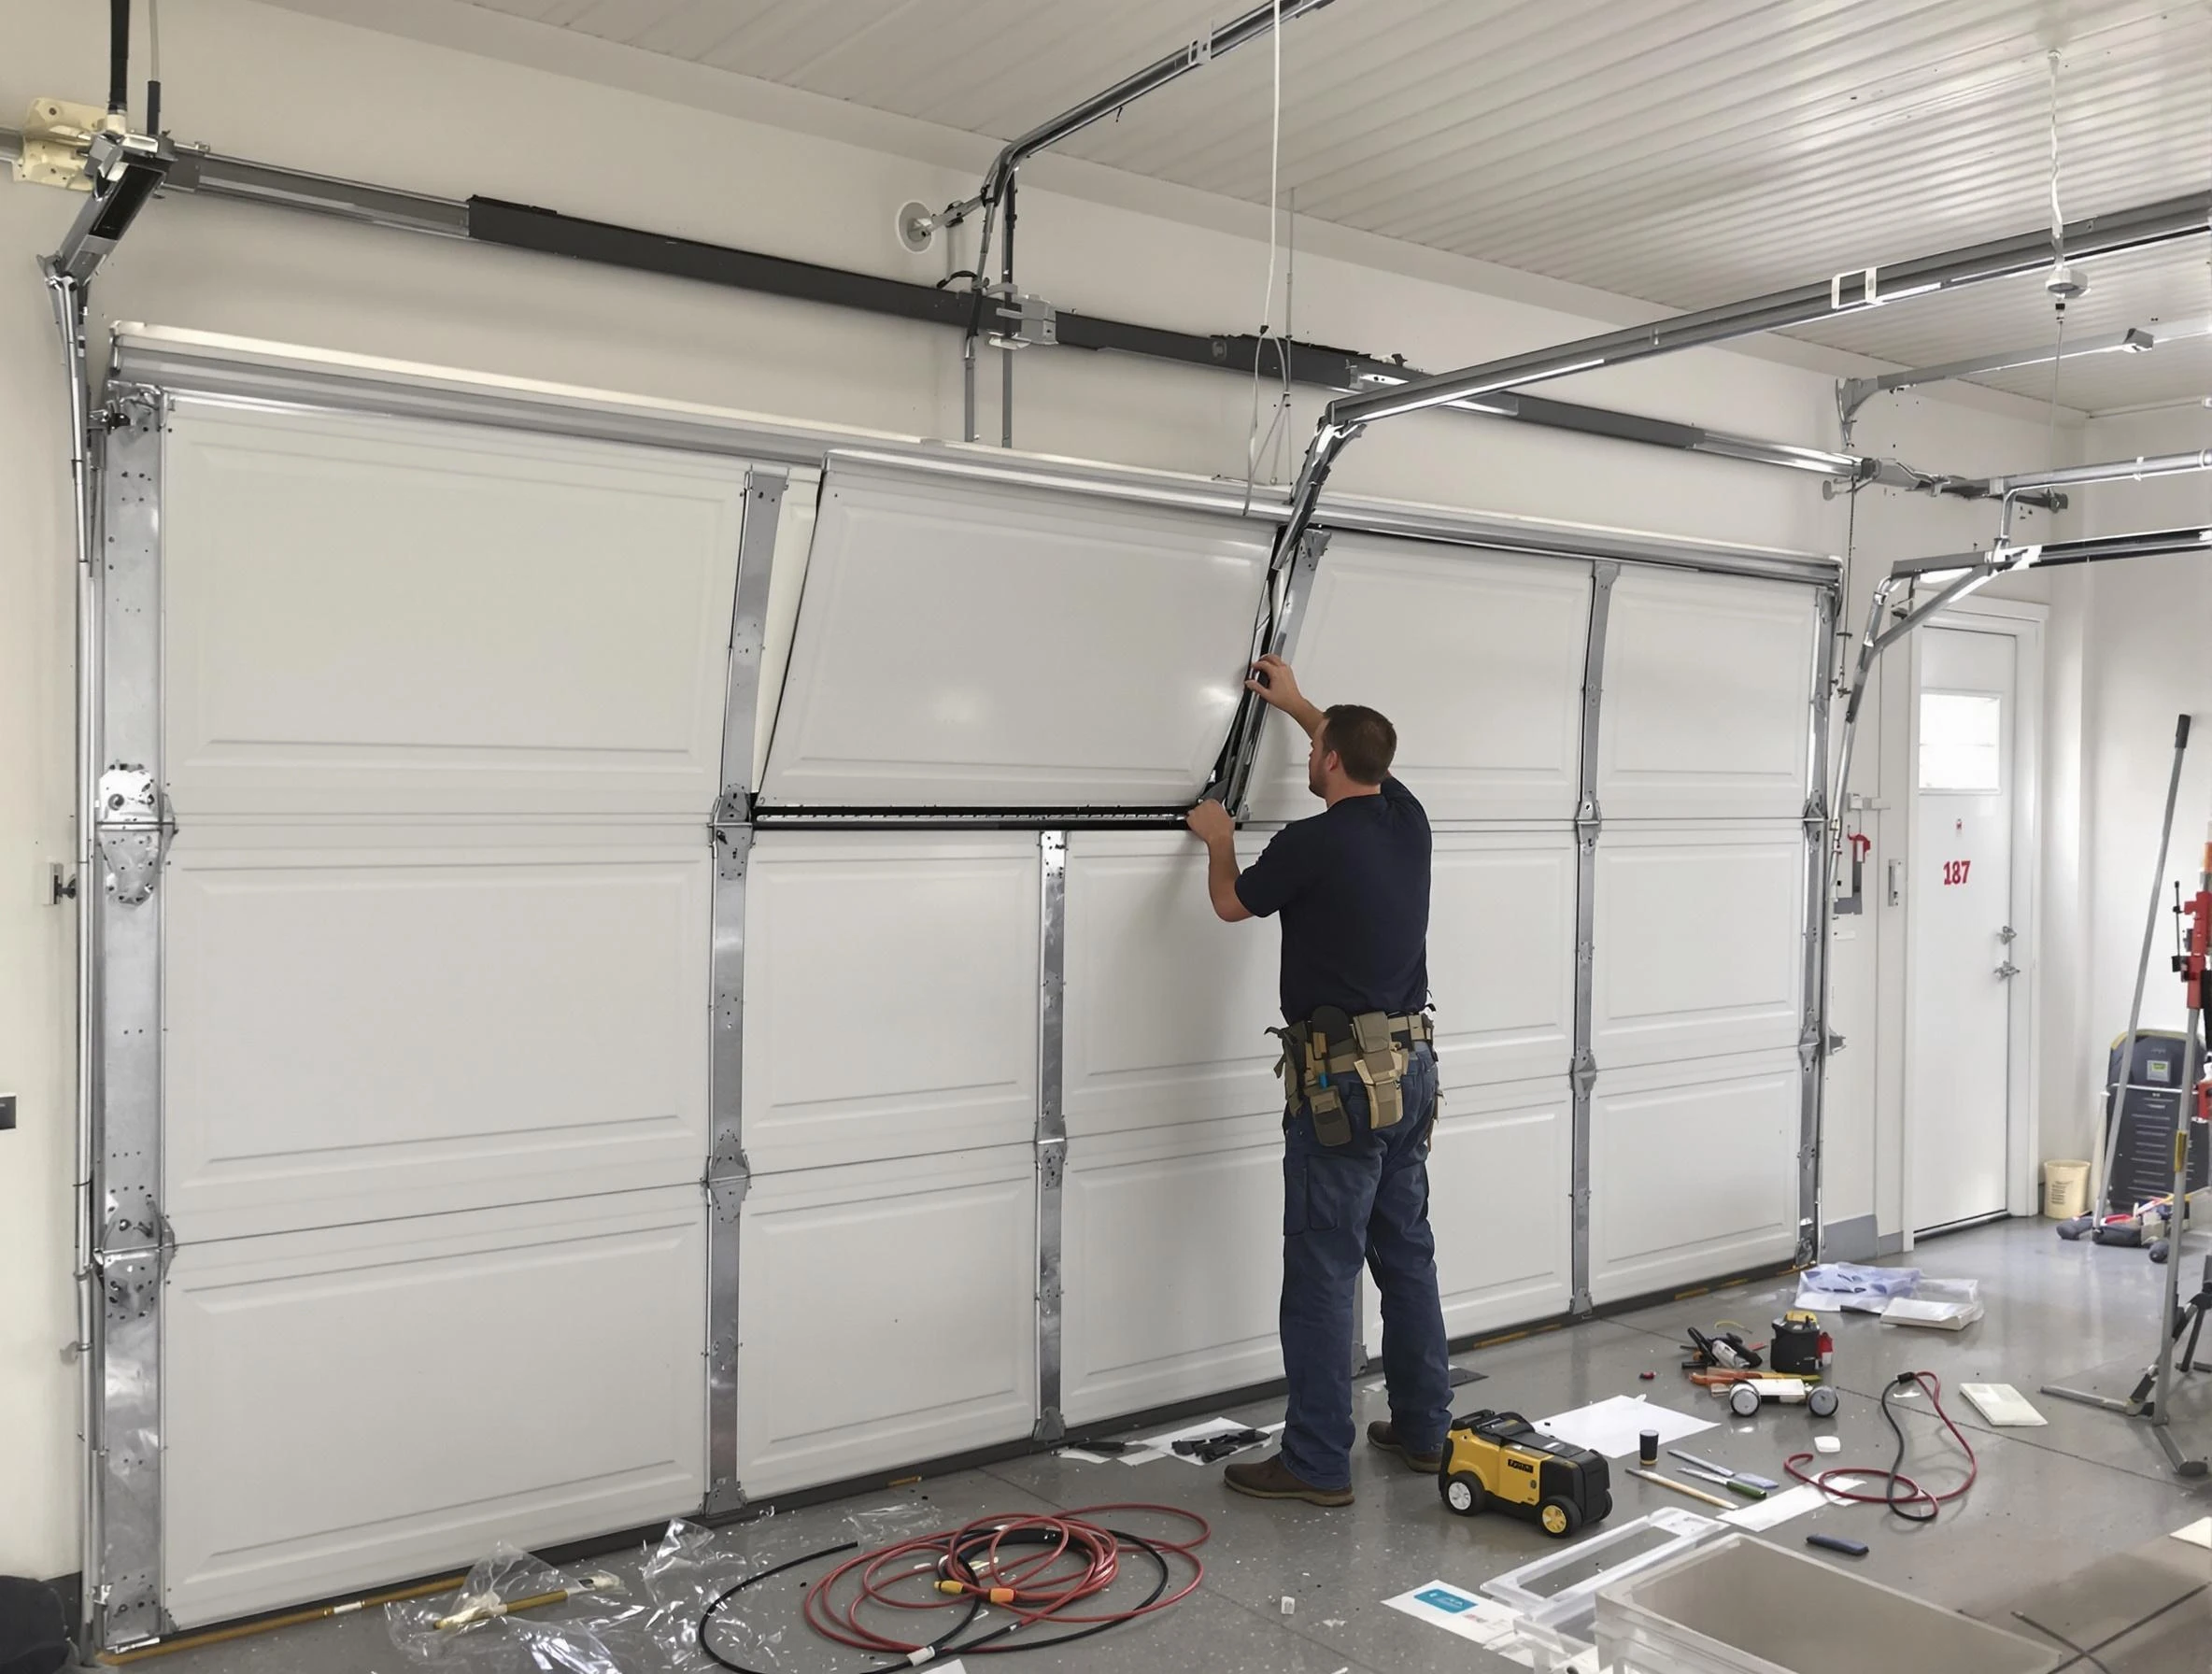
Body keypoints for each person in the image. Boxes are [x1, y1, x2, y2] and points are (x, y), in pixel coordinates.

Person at [1184, 654, 1451, 1507]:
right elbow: (1364, 758)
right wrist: (1301, 705)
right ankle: (1425, 1430)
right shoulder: (1409, 821)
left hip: (1340, 1090)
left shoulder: (1310, 844)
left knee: (1324, 1271)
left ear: (1330, 761)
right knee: (1405, 1255)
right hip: (1410, 1074)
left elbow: (1231, 904)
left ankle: (1316, 1462)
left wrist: (1218, 839)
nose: (1306, 758)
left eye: (1312, 748)